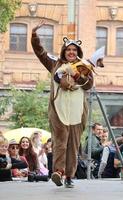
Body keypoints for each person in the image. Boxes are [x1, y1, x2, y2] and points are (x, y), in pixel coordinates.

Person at [31, 20, 104, 188]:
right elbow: (41, 52)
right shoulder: (54, 63)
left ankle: (70, 175)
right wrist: (34, 35)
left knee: (73, 144)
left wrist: (77, 75)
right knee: (60, 141)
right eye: (69, 49)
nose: (71, 52)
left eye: (74, 50)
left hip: (78, 112)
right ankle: (58, 172)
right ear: (64, 51)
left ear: (78, 51)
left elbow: (88, 85)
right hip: (59, 110)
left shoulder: (85, 65)